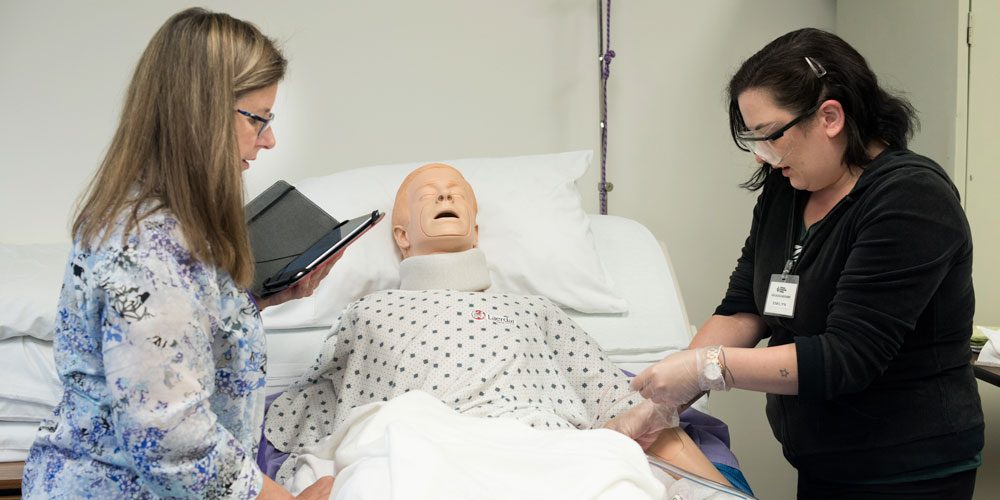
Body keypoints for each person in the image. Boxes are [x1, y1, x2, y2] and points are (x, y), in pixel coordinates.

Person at [614, 27, 984, 499]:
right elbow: (744, 305)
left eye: (770, 136)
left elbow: (847, 357)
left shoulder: (911, 199)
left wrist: (710, 368)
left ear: (829, 116)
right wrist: (669, 399)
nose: (763, 157)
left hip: (907, 467)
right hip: (823, 457)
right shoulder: (788, 188)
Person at [264, 163, 742, 494]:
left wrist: (719, 494)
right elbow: (305, 412)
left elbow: (632, 412)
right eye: (427, 194)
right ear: (402, 235)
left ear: (475, 229)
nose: (446, 194)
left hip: (549, 448)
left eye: (457, 193)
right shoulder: (368, 312)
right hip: (412, 442)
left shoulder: (535, 310)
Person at [22, 8, 334, 499]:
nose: (268, 139)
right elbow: (171, 442)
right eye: (260, 119)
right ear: (203, 114)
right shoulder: (146, 251)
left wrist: (260, 300)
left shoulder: (166, 226)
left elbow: (173, 340)